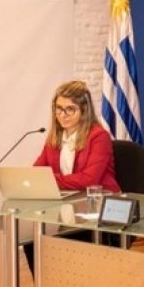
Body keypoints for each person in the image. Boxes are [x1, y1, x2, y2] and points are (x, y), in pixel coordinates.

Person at [25, 80, 121, 273]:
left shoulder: (98, 136)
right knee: (32, 242)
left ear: (84, 110)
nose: (63, 115)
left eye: (70, 109)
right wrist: (39, 179)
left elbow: (89, 180)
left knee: (56, 245)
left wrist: (50, 179)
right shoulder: (54, 137)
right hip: (71, 207)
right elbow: (37, 172)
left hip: (100, 210)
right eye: (59, 109)